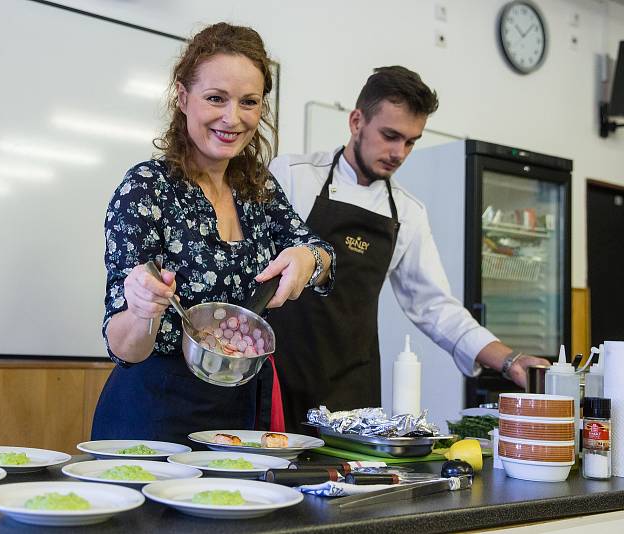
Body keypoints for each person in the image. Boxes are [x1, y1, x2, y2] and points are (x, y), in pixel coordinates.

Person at [267, 66, 551, 434]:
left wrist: (509, 359)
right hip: (277, 377)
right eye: (390, 136)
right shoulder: (294, 174)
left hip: (352, 393)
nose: (399, 152)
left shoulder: (407, 213)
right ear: (357, 121)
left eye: (411, 141)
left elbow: (435, 307)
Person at [91, 22, 335, 445]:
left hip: (239, 412)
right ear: (183, 98)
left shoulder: (258, 187)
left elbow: (320, 251)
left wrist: (310, 261)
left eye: (249, 102)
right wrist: (143, 307)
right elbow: (126, 349)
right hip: (154, 415)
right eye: (215, 99)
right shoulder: (146, 188)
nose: (232, 118)